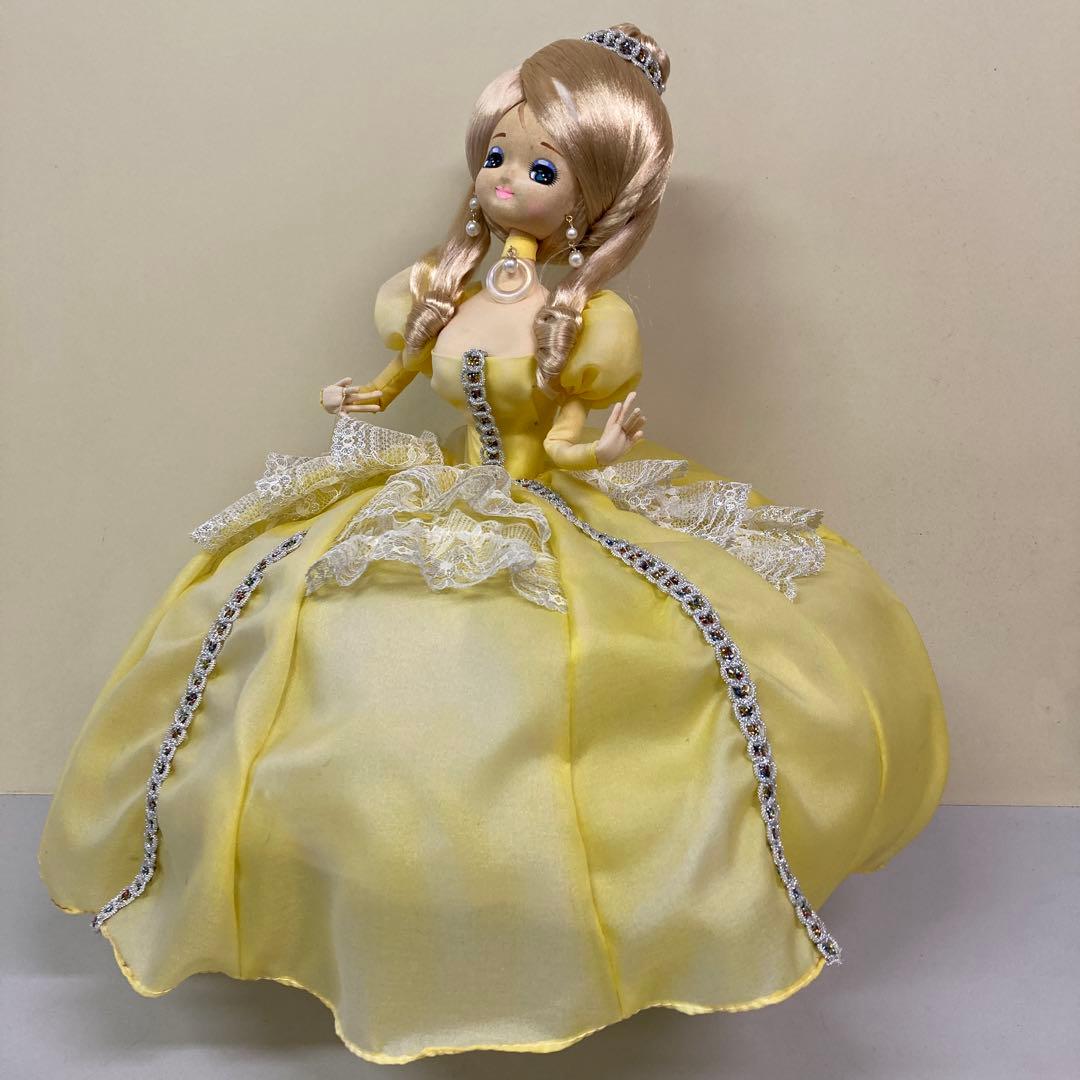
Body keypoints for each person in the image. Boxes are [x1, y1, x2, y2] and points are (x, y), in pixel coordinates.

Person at [38, 23, 949, 1065]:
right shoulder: (443, 291)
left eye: (541, 169)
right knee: (319, 648)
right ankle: (367, 911)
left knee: (554, 704)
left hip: (541, 497)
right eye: (498, 156)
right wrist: (361, 395)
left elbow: (563, 444)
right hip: (439, 483)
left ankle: (537, 933)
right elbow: (397, 378)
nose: (508, 181)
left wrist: (601, 446)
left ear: (593, 198)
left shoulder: (587, 321)